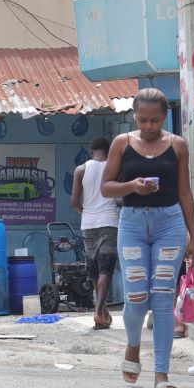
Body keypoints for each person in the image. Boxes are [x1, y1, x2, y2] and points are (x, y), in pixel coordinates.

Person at [101, 89, 194, 388]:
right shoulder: (122, 144)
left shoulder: (178, 146)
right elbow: (106, 187)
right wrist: (131, 185)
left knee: (161, 296)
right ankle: (132, 344)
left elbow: (185, 192)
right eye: (142, 120)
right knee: (136, 296)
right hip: (131, 223)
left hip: (169, 223)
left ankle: (161, 373)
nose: (148, 126)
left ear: (164, 116)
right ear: (135, 117)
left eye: (154, 120)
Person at [72, 136, 120, 330]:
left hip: (88, 224)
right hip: (110, 222)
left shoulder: (81, 169)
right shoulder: (115, 167)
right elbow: (120, 199)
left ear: (91, 151)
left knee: (93, 267)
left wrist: (86, 212)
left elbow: (74, 202)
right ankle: (100, 310)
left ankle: (101, 309)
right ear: (109, 152)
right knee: (106, 268)